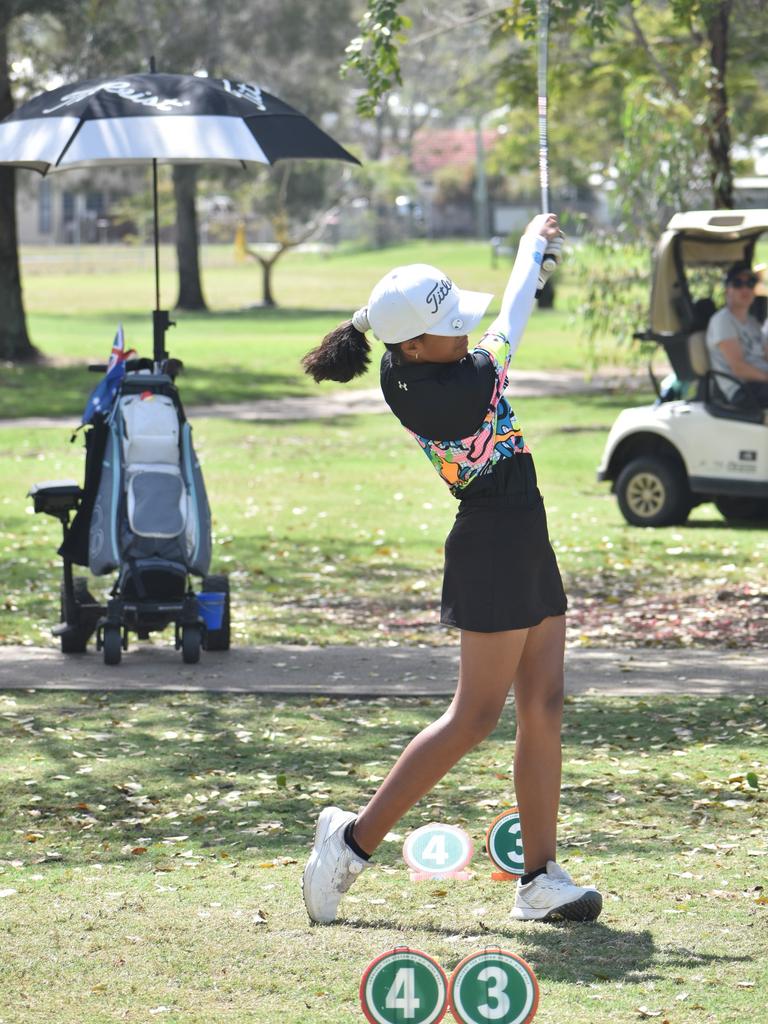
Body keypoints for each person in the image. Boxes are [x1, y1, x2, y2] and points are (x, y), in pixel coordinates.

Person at [300, 213, 602, 926]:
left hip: (522, 529)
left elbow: (477, 320)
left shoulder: (414, 363)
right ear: (413, 344)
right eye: (450, 327)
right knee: (474, 717)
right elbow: (514, 317)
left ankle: (539, 878)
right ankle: (350, 843)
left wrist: (535, 257)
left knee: (544, 704)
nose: (464, 333)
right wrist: (531, 250)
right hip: (494, 539)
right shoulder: (458, 383)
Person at [706, 261, 768, 406]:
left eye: (750, 283)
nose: (745, 289)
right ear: (728, 290)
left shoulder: (753, 323)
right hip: (742, 389)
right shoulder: (722, 320)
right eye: (738, 283)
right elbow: (739, 368)